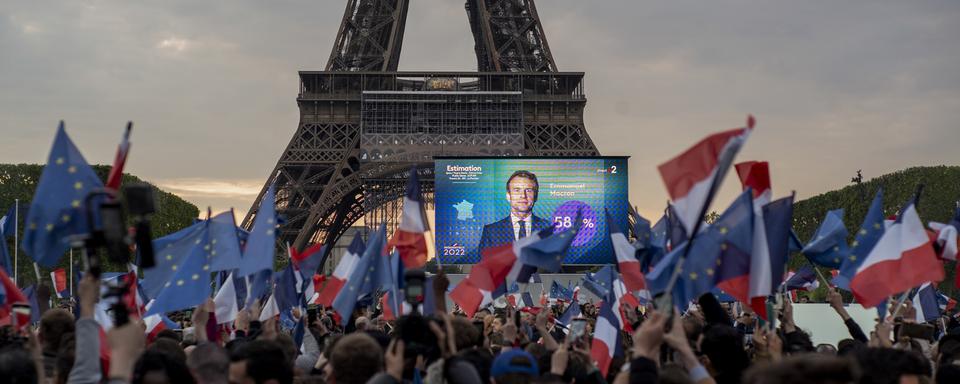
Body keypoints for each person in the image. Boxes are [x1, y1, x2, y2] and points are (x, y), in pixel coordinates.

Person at [478, 170, 551, 252]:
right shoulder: (491, 232)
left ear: (536, 196)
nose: (523, 195)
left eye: (528, 190)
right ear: (508, 196)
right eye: (517, 190)